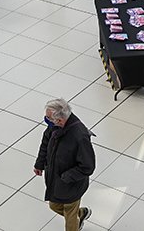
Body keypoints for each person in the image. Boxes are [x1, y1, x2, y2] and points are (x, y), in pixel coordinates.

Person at [34, 98, 95, 231]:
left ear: (60, 120)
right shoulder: (54, 127)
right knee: (54, 206)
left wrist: (67, 177)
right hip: (56, 181)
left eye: (48, 118)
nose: (46, 119)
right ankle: (81, 213)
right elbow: (45, 143)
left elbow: (88, 166)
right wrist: (39, 164)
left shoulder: (80, 136)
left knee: (70, 218)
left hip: (71, 185)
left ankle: (75, 220)